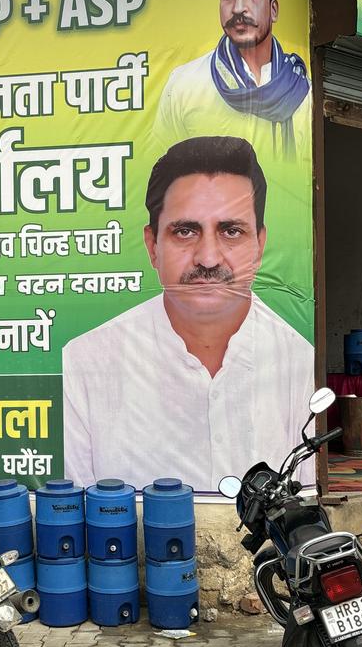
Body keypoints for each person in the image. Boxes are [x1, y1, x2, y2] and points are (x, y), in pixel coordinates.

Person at [62, 137, 313, 495]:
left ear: (259, 246)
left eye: (231, 231)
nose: (208, 258)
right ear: (152, 247)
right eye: (185, 231)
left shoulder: (300, 361)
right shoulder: (86, 361)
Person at [155, 0, 310, 159]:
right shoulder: (184, 85)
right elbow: (162, 174)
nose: (238, 8)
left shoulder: (302, 91)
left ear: (273, 10)